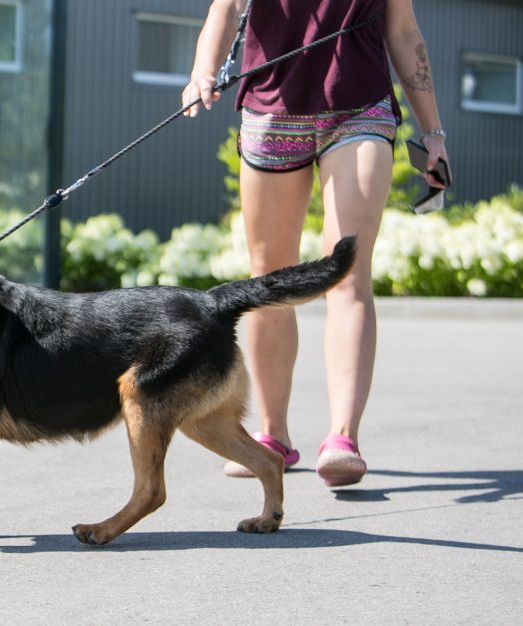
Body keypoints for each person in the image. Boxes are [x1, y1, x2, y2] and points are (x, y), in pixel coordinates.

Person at [182, 0, 450, 486]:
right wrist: (202, 72)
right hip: (271, 107)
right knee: (269, 280)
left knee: (347, 271)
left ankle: (342, 438)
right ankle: (272, 435)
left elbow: (404, 30)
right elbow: (223, 10)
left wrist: (432, 132)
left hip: (359, 109)